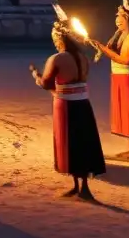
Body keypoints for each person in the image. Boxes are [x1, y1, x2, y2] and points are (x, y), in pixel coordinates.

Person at [30, 13, 106, 200]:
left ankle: (79, 187)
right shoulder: (82, 57)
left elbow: (46, 84)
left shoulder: (57, 58)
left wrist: (35, 75)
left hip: (66, 106)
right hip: (83, 104)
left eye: (55, 38)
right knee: (83, 142)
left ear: (60, 38)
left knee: (70, 143)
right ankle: (81, 186)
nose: (54, 41)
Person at [89, 0, 129, 160]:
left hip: (128, 79)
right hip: (119, 77)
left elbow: (125, 59)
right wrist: (103, 47)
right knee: (126, 112)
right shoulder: (121, 35)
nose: (117, 20)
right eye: (117, 17)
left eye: (121, 17)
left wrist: (103, 48)